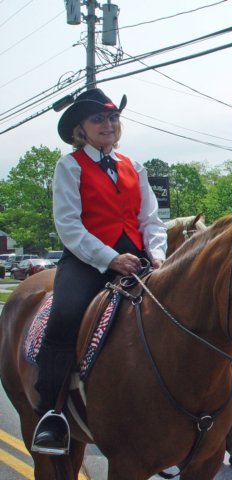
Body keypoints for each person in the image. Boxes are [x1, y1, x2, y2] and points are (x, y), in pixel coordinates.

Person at [32, 88, 168, 455]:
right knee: (64, 316)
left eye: (112, 118)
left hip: (139, 259)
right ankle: (52, 414)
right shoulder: (69, 166)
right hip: (87, 261)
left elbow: (151, 220)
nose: (107, 125)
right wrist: (110, 259)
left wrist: (156, 255)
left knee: (185, 307)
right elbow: (69, 226)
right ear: (82, 128)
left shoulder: (133, 166)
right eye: (98, 119)